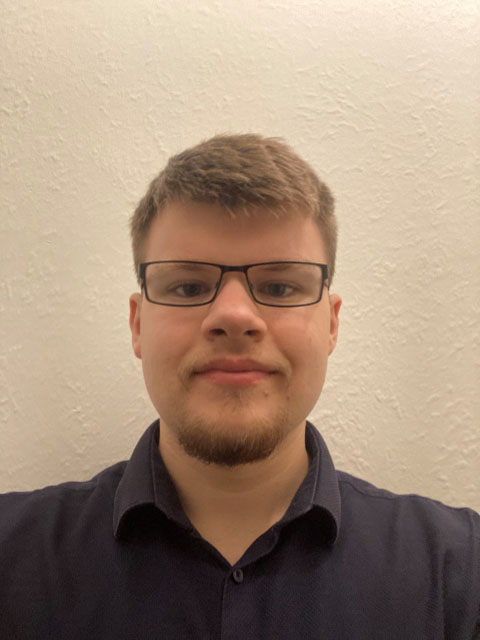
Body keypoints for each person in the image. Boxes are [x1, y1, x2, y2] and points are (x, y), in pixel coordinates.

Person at [0, 134, 478, 639]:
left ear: (332, 325)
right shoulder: (10, 558)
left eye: (278, 287)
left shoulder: (458, 576)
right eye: (188, 286)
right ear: (138, 325)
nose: (233, 315)